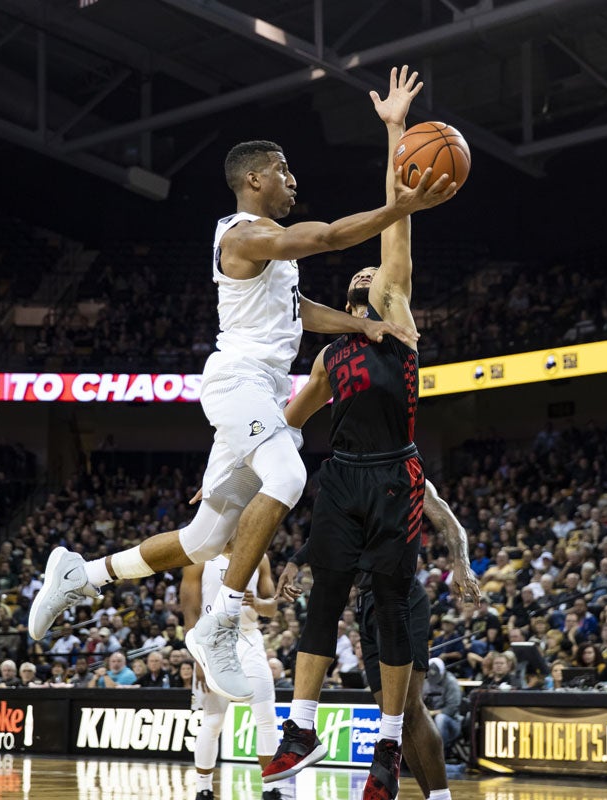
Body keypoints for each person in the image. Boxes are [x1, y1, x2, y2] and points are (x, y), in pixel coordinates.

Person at [27, 64, 456, 704]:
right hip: (238, 383)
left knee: (204, 537)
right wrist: (400, 205)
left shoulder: (269, 259)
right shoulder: (245, 234)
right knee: (289, 477)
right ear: (254, 180)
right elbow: (330, 236)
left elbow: (300, 310)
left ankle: (83, 574)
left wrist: (365, 329)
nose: (293, 181)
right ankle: (220, 622)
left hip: (252, 391)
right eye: (284, 172)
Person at [261, 66, 458, 800]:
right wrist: (229, 467)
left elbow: (395, 217)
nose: (366, 275)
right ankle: (300, 728)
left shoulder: (396, 321)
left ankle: (386, 748)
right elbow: (282, 424)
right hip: (340, 474)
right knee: (322, 595)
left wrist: (395, 132)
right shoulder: (327, 354)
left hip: (393, 472)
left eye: (374, 272)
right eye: (359, 274)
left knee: (390, 595)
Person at [277, 478, 479, 800]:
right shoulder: (349, 479)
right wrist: (294, 561)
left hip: (400, 597)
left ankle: (440, 796)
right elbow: (327, 537)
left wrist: (461, 563)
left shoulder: (406, 473)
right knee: (393, 716)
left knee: (409, 709)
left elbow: (447, 520)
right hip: (366, 605)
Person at [181, 545, 278, 800]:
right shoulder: (199, 556)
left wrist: (257, 602)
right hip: (212, 643)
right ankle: (203, 788)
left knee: (266, 716)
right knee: (213, 721)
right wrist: (198, 660)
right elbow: (189, 613)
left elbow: (272, 608)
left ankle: (270, 788)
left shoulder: (260, 556)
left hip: (249, 640)